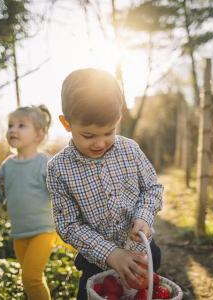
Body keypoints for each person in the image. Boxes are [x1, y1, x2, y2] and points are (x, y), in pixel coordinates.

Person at [46, 68, 163, 300]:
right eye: (88, 135)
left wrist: (144, 216)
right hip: (96, 264)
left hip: (142, 256)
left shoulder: (130, 150)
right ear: (66, 123)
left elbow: (153, 188)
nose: (100, 143)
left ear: (118, 119)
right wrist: (111, 254)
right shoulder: (58, 169)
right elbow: (68, 224)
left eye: (109, 132)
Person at [0, 105, 59, 300]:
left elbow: (61, 192)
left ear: (38, 134)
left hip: (44, 231)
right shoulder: (7, 166)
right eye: (10, 125)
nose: (13, 130)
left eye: (21, 125)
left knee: (31, 278)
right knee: (29, 281)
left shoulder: (45, 163)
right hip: (20, 234)